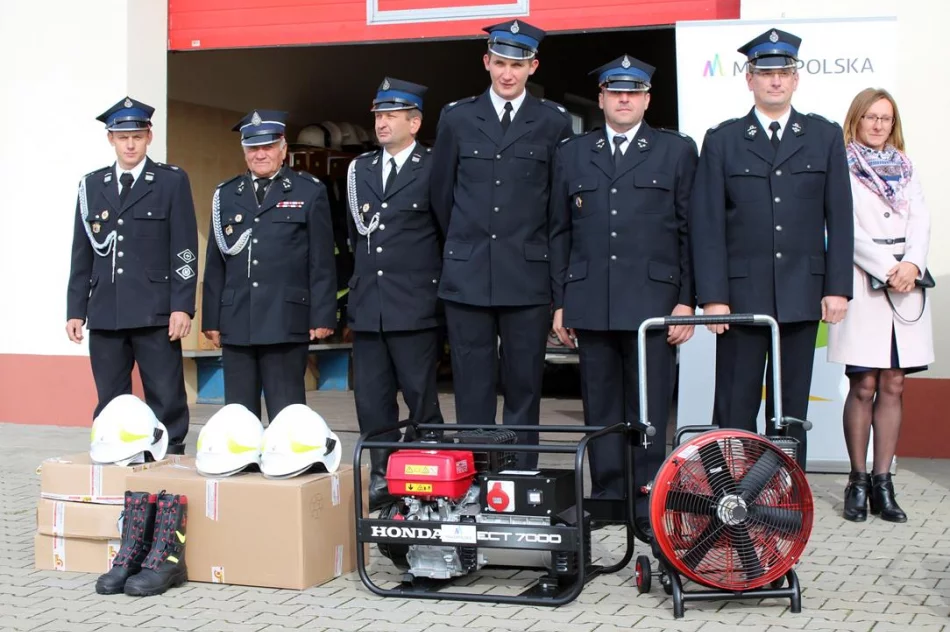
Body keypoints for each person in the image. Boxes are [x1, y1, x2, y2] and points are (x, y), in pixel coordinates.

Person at [689, 28, 854, 470]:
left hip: (801, 297)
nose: (775, 81)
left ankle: (780, 497)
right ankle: (726, 495)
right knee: (734, 407)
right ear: (749, 79)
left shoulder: (823, 136)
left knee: (789, 412)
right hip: (740, 300)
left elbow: (839, 218)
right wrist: (713, 296)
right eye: (766, 73)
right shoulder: (723, 140)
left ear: (796, 78)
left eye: (784, 72)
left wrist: (838, 287)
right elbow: (706, 224)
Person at [550, 55, 698, 532]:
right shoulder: (574, 152)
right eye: (616, 92)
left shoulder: (675, 151)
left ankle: (646, 500)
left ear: (647, 99)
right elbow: (559, 232)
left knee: (649, 409)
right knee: (600, 408)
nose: (624, 99)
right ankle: (608, 497)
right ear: (602, 99)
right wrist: (560, 300)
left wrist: (686, 301)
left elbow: (690, 231)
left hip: (654, 304)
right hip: (591, 300)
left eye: (633, 92)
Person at [430, 19, 574, 468]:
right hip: (468, 272)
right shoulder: (457, 117)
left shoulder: (553, 121)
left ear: (533, 66)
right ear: (486, 62)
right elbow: (440, 195)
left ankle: (516, 474)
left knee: (524, 382)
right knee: (472, 384)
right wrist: (463, 247)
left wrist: (557, 290)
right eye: (500, 63)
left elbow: (558, 209)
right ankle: (474, 473)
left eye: (517, 64)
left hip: (526, 275)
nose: (507, 74)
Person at [66, 97, 198, 456]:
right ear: (110, 138)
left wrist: (182, 306)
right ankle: (115, 453)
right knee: (110, 395)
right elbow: (83, 253)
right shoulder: (92, 185)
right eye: (122, 137)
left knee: (166, 393)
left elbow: (185, 248)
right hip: (106, 310)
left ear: (149, 137)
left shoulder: (170, 181)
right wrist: (76, 310)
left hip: (156, 311)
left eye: (137, 136)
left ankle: (170, 456)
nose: (129, 144)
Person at [828, 88, 934, 523]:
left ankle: (883, 483)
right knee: (864, 384)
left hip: (907, 284)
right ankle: (857, 481)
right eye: (870, 117)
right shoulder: (843, 166)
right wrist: (887, 266)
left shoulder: (906, 168)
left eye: (885, 119)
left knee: (894, 383)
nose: (878, 125)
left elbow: (921, 219)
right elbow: (842, 225)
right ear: (856, 119)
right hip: (864, 281)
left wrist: (911, 263)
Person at [347, 78, 445, 510]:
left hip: (415, 304)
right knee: (371, 399)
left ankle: (430, 471)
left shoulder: (434, 166)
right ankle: (382, 476)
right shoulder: (360, 169)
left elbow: (445, 233)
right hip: (370, 305)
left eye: (391, 115)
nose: (382, 123)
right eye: (378, 115)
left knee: (420, 396)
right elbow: (356, 237)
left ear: (415, 121)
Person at [201, 110, 337, 422]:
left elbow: (321, 261)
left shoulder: (309, 191)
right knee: (238, 413)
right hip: (237, 319)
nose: (260, 154)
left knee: (286, 411)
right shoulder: (225, 194)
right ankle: (243, 462)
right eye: (253, 148)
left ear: (283, 148)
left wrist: (323, 315)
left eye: (268, 146)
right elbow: (215, 261)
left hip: (285, 317)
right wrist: (212, 318)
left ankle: (287, 463)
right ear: (245, 151)